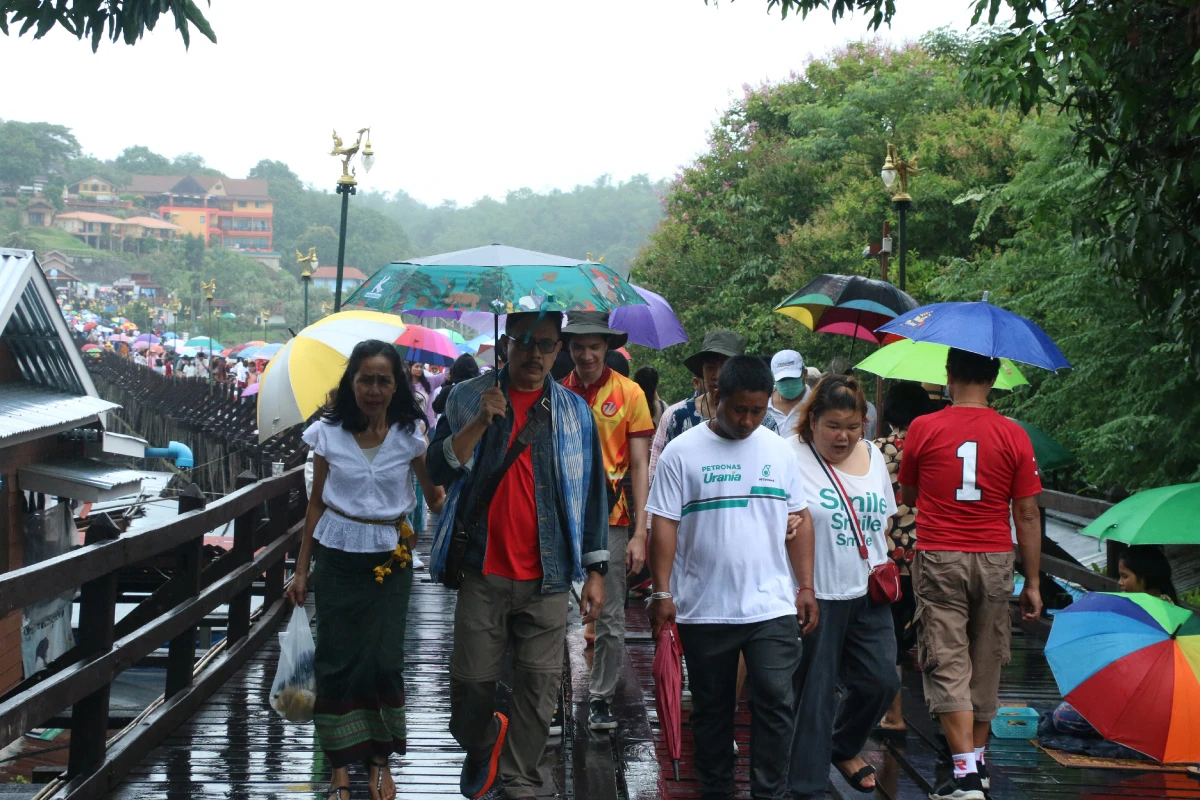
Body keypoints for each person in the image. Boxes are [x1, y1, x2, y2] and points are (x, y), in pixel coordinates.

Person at [426, 311, 609, 800]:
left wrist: (595, 570)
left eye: (546, 345)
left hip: (548, 574)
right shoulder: (468, 397)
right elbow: (435, 467)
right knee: (470, 685)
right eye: (524, 342)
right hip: (481, 567)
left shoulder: (573, 412)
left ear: (558, 350)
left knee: (538, 686)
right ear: (504, 343)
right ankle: (483, 738)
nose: (534, 354)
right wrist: (481, 421)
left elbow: (592, 493)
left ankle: (520, 780)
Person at [647, 355, 818, 800]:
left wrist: (806, 586)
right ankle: (718, 789)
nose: (747, 420)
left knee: (777, 698)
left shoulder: (779, 451)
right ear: (718, 396)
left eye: (757, 411)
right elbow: (663, 524)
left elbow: (800, 516)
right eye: (739, 409)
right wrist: (661, 591)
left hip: (771, 603)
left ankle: (769, 792)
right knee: (712, 709)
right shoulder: (682, 452)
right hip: (704, 608)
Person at [288, 340, 446, 800]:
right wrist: (300, 571)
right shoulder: (328, 434)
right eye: (365, 379)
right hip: (336, 556)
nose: (373, 389)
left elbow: (434, 497)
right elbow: (315, 505)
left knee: (382, 661)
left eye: (383, 380)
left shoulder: (409, 437)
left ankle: (379, 762)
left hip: (390, 558)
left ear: (396, 385)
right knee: (336, 661)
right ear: (350, 383)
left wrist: (462, 453)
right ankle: (340, 768)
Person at [899, 348, 1043, 800]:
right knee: (985, 660)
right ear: (996, 377)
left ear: (948, 375)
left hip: (941, 554)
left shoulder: (924, 427)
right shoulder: (1014, 434)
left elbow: (909, 491)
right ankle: (975, 767)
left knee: (946, 659)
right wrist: (1034, 581)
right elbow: (1027, 512)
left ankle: (964, 775)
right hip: (997, 557)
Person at [787, 374, 900, 797]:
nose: (844, 436)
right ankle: (806, 786)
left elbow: (881, 522)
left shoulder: (872, 455)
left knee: (881, 680)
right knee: (813, 697)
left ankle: (844, 746)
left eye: (853, 427)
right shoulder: (788, 456)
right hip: (816, 592)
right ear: (812, 419)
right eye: (834, 426)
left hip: (867, 591)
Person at [561, 311, 654, 731]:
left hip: (613, 519)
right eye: (578, 346)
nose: (586, 354)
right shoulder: (557, 392)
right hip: (562, 518)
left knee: (611, 614)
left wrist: (641, 531)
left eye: (593, 346)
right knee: (552, 611)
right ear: (568, 348)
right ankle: (550, 701)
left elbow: (639, 465)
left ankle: (600, 697)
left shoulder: (630, 394)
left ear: (606, 347)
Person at [874, 381, 937, 733]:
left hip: (888, 560)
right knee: (935, 635)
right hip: (931, 555)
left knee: (891, 638)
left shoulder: (875, 450)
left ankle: (894, 716)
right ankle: (943, 713)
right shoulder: (936, 446)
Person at [766, 349, 809, 435]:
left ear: (805, 374)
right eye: (782, 379)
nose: (788, 383)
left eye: (792, 378)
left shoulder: (815, 403)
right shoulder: (762, 402)